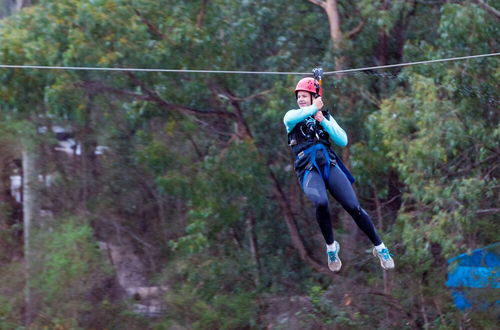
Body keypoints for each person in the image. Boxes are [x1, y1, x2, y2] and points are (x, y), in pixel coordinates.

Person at [283, 77, 394, 272]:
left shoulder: (323, 116)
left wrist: (323, 121)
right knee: (321, 202)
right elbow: (292, 118)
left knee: (353, 206)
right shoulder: (291, 116)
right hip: (308, 168)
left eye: (304, 96)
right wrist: (312, 108)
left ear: (313, 97)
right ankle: (331, 248)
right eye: (298, 96)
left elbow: (342, 140)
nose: (300, 99)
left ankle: (380, 248)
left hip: (328, 164)